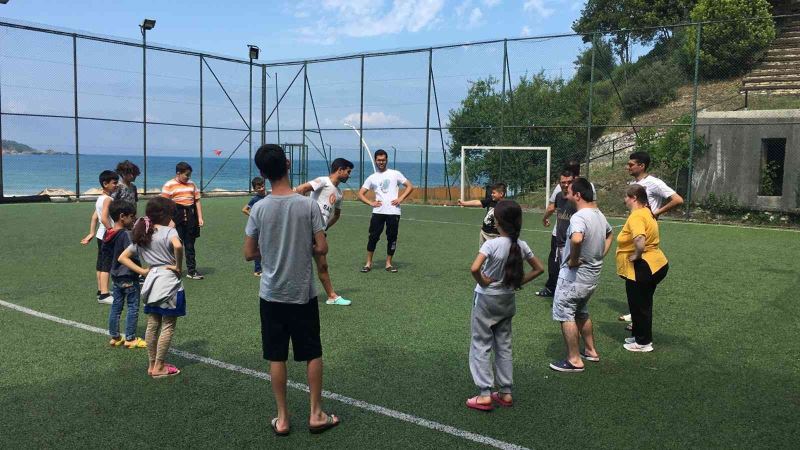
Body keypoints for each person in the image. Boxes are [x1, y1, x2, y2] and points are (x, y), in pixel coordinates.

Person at [244, 144, 340, 436]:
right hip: (303, 293)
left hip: (271, 294)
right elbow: (321, 247)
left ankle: (283, 419)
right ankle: (316, 414)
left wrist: (271, 248)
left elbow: (249, 253)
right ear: (288, 164)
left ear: (262, 172)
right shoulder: (308, 205)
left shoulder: (259, 208)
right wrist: (304, 245)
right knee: (312, 352)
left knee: (277, 356)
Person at [466, 200, 544, 411]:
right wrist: (517, 283)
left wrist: (483, 282)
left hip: (486, 299)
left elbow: (474, 268)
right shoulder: (521, 245)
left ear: (497, 221)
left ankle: (484, 394)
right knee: (504, 344)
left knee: (481, 344)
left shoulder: (490, 244)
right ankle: (505, 392)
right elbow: (539, 269)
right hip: (507, 300)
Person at [549, 177, 613, 373]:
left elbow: (576, 239)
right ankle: (591, 351)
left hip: (574, 277)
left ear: (578, 195)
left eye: (569, 190)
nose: (565, 192)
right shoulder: (599, 214)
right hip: (591, 277)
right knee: (581, 311)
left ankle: (574, 359)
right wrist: (599, 255)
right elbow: (610, 234)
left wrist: (574, 260)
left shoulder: (579, 216)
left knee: (565, 312)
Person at [118, 197, 185, 379]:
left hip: (151, 282)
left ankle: (151, 364)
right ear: (164, 215)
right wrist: (178, 267)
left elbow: (122, 257)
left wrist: (143, 271)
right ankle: (160, 366)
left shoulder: (143, 232)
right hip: (168, 283)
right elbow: (178, 246)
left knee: (153, 322)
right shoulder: (169, 231)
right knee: (168, 324)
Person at [619, 151, 683, 324]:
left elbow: (677, 199)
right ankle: (636, 314)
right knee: (633, 277)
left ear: (642, 166)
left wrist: (656, 213)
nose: (628, 167)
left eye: (631, 164)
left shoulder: (654, 183)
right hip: (636, 230)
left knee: (640, 276)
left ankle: (639, 321)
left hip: (645, 234)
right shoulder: (635, 184)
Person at [294, 158, 355, 306]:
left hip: (318, 232)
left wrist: (324, 227)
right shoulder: (323, 181)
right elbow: (300, 189)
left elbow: (337, 215)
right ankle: (291, 296)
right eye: (348, 171)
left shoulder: (339, 193)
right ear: (339, 170)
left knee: (322, 265)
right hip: (306, 229)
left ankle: (332, 296)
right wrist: (304, 215)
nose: (349, 175)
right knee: (298, 264)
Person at [616, 184, 669, 352]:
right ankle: (639, 335)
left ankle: (643, 343)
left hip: (644, 266)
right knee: (640, 303)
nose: (624, 200)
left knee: (640, 305)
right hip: (656, 263)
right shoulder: (648, 212)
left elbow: (639, 239)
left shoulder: (637, 216)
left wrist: (637, 255)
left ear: (634, 198)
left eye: (626, 197)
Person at [357, 149, 414, 273]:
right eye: (378, 160)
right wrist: (371, 203)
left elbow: (410, 186)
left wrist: (400, 198)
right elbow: (360, 194)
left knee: (392, 238)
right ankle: (368, 263)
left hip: (393, 212)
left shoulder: (395, 173)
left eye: (383, 160)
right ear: (375, 161)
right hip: (378, 212)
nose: (381, 162)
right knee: (373, 237)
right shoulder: (372, 177)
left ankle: (388, 263)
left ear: (387, 160)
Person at [104, 199, 146, 349]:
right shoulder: (126, 235)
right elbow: (130, 255)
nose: (133, 220)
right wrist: (142, 271)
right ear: (122, 216)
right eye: (132, 217)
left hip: (115, 276)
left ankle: (115, 336)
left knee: (116, 305)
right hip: (128, 275)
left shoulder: (108, 233)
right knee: (133, 306)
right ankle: (130, 338)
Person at [80, 170, 119, 305]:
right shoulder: (108, 199)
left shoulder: (100, 198)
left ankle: (100, 289)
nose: (116, 185)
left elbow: (94, 217)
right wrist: (111, 231)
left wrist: (91, 233)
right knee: (106, 265)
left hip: (100, 235)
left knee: (101, 263)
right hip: (107, 235)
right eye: (114, 183)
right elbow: (103, 218)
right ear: (105, 184)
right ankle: (104, 294)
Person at [161, 162, 205, 280]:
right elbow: (164, 205)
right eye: (186, 175)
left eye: (190, 175)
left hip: (191, 218)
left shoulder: (192, 184)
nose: (188, 177)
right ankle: (173, 270)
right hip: (176, 219)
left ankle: (191, 270)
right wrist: (169, 220)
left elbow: (197, 201)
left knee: (190, 245)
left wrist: (200, 217)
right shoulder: (169, 185)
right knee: (175, 246)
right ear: (178, 173)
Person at [538, 171, 576, 297]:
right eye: (563, 182)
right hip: (560, 241)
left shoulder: (578, 199)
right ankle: (558, 292)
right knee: (559, 268)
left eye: (569, 182)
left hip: (573, 242)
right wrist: (544, 218)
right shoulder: (559, 196)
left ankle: (569, 298)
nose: (565, 185)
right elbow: (551, 208)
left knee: (571, 272)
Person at [457, 182, 506, 247]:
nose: (491, 194)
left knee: (493, 255)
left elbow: (510, 221)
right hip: (483, 233)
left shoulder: (505, 206)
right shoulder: (491, 200)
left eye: (494, 193)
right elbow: (478, 202)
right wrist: (464, 203)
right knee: (482, 253)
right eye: (491, 192)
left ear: (501, 194)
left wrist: (502, 224)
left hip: (495, 236)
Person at [242, 176, 267, 276]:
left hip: (267, 225)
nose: (262, 188)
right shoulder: (255, 199)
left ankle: (266, 267)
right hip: (258, 226)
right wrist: (253, 216)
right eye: (259, 187)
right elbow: (244, 209)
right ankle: (257, 270)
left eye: (263, 186)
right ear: (254, 189)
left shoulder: (268, 196)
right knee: (258, 247)